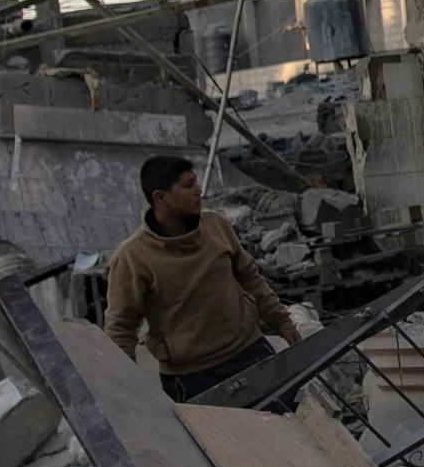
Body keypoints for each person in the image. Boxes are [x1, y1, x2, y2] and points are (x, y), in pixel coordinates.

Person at [105, 156, 295, 401]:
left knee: (285, 426)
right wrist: (126, 388)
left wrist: (282, 322)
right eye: (188, 186)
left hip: (249, 353)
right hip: (191, 378)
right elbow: (120, 327)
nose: (199, 191)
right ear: (160, 198)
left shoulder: (216, 226)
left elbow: (251, 278)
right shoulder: (133, 257)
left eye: (196, 182)